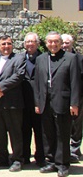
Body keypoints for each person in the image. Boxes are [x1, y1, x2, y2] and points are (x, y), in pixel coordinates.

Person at [34, 31, 81, 177]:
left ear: (60, 43)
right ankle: (51, 161)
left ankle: (63, 164)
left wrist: (74, 103)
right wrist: (37, 102)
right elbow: (37, 83)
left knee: (62, 133)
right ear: (46, 43)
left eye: (56, 42)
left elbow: (75, 82)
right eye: (50, 42)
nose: (53, 44)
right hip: (45, 102)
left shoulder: (71, 58)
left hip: (63, 101)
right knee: (47, 134)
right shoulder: (41, 59)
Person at [0, 35, 25, 172]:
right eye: (3, 44)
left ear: (12, 45)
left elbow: (19, 75)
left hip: (12, 102)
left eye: (9, 43)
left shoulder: (18, 58)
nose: (6, 46)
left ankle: (17, 159)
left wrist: (1, 87)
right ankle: (1, 158)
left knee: (15, 132)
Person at [17, 33, 45, 166]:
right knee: (24, 130)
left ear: (38, 43)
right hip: (23, 100)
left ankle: (40, 157)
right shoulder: (20, 58)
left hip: (39, 101)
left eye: (32, 42)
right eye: (27, 42)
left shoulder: (44, 58)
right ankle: (25, 156)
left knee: (40, 131)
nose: (30, 44)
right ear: (24, 44)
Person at [62, 34, 83, 163]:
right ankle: (64, 151)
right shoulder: (56, 58)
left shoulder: (80, 59)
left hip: (78, 97)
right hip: (62, 98)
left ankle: (74, 151)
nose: (64, 45)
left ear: (72, 43)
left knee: (76, 126)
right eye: (63, 43)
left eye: (67, 43)